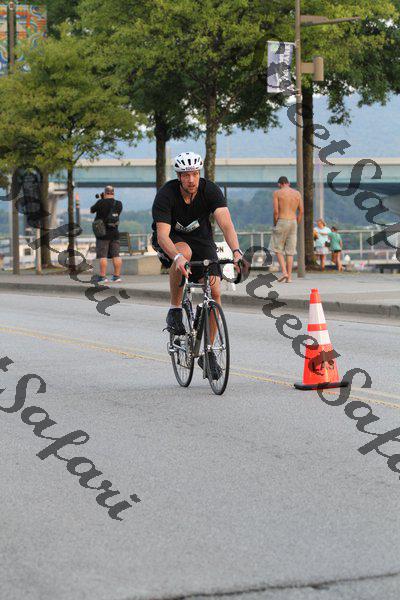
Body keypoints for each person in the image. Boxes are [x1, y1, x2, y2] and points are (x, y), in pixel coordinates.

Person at [151, 151, 243, 379]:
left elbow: (226, 224)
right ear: (179, 177)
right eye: (186, 175)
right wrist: (177, 258)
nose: (191, 179)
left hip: (202, 240)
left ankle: (208, 352)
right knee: (184, 252)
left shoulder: (210, 190)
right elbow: (162, 235)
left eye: (195, 174)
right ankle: (174, 309)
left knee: (215, 290)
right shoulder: (166, 194)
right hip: (171, 240)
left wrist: (236, 251)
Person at [269, 176, 303, 283]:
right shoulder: (297, 193)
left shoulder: (277, 193)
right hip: (293, 221)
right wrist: (297, 222)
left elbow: (276, 211)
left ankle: (284, 272)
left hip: (282, 220)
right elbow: (301, 211)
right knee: (290, 251)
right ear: (288, 183)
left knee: (277, 248)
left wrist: (275, 223)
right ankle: (289, 277)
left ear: (280, 184)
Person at [90, 185, 123, 283]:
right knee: (116, 255)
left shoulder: (100, 202)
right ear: (113, 193)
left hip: (102, 234)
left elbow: (92, 210)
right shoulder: (119, 204)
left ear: (104, 193)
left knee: (103, 256)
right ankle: (117, 276)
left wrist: (101, 199)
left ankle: (103, 277)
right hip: (115, 233)